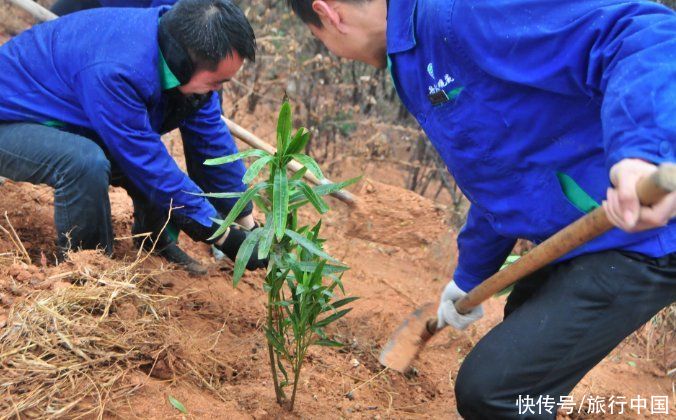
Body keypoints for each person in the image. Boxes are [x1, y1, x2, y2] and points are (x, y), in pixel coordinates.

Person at [287, 0, 676, 418]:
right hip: (574, 235)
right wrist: (469, 276)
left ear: (329, 15)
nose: (328, 49)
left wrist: (643, 151)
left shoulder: (459, 14)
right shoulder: (414, 52)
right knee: (520, 341)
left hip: (639, 237)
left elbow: (640, 30)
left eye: (318, 38)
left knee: (493, 390)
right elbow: (498, 170)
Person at [0, 0, 267, 273]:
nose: (216, 90)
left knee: (146, 160)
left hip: (70, 111)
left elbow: (212, 141)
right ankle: (89, 267)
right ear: (183, 64)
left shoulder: (177, 44)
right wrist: (222, 235)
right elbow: (146, 162)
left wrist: (246, 221)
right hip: (11, 119)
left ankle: (155, 244)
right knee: (84, 162)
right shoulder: (118, 71)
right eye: (215, 82)